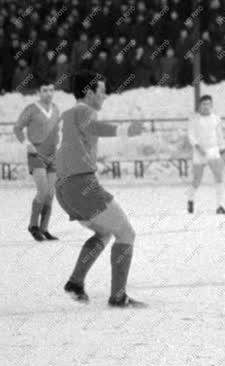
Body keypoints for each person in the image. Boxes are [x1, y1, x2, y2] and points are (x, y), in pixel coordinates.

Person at [56, 70, 146, 307]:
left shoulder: (66, 115)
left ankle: (76, 282)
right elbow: (95, 128)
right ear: (89, 92)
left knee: (104, 233)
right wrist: (126, 130)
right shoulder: (84, 111)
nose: (105, 96)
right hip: (82, 185)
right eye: (102, 91)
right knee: (126, 233)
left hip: (64, 188)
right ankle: (118, 297)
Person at [13, 83, 61, 241]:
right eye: (45, 90)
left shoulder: (56, 109)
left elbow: (56, 132)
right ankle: (33, 225)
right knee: (43, 190)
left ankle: (44, 228)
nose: (48, 93)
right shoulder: (31, 109)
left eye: (51, 90)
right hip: (36, 154)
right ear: (38, 92)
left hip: (53, 155)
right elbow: (17, 128)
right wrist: (28, 144)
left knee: (51, 194)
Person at [186, 94, 225, 215]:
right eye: (204, 104)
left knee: (219, 176)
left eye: (208, 104)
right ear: (200, 106)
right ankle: (190, 199)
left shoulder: (216, 119)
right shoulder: (194, 119)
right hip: (200, 152)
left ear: (212, 105)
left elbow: (220, 136)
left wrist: (223, 150)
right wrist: (197, 146)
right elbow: (191, 135)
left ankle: (220, 206)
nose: (206, 107)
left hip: (213, 151)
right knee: (197, 180)